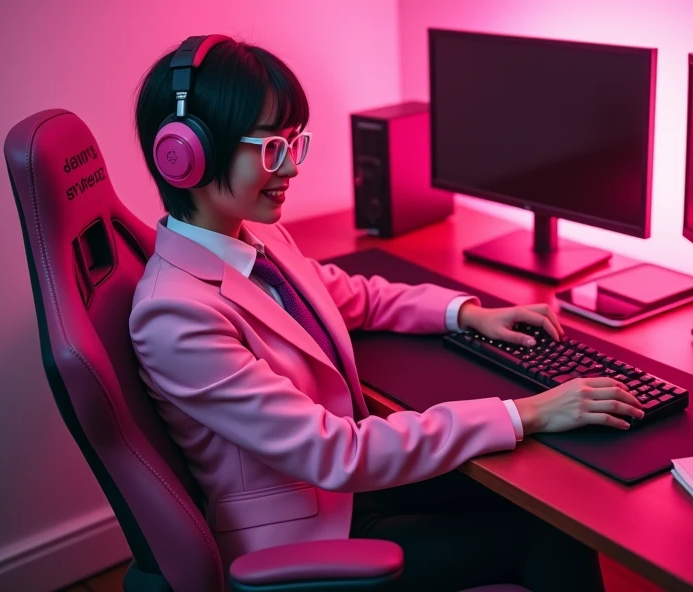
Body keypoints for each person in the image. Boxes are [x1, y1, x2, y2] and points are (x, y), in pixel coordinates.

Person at [129, 35, 644, 592]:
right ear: (186, 156)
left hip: (354, 488)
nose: (292, 170)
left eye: (294, 144)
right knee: (549, 533)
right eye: (272, 149)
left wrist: (466, 313)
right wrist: (527, 412)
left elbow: (353, 295)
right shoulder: (175, 315)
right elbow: (336, 452)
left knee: (547, 495)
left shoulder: (254, 237)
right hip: (315, 532)